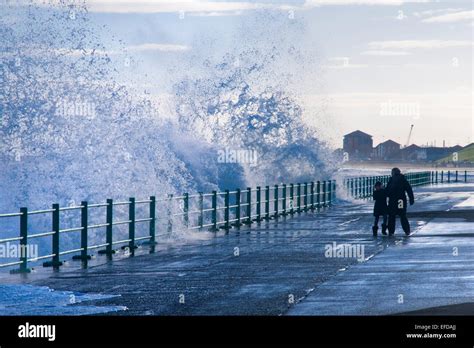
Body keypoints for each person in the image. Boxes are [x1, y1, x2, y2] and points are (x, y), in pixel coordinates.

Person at [386, 167, 414, 235]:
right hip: (400, 200)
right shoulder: (403, 179)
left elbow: (387, 190)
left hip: (392, 201)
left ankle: (391, 231)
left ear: (393, 173)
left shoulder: (391, 179)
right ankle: (407, 231)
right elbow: (409, 189)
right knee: (402, 215)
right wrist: (411, 199)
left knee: (391, 216)